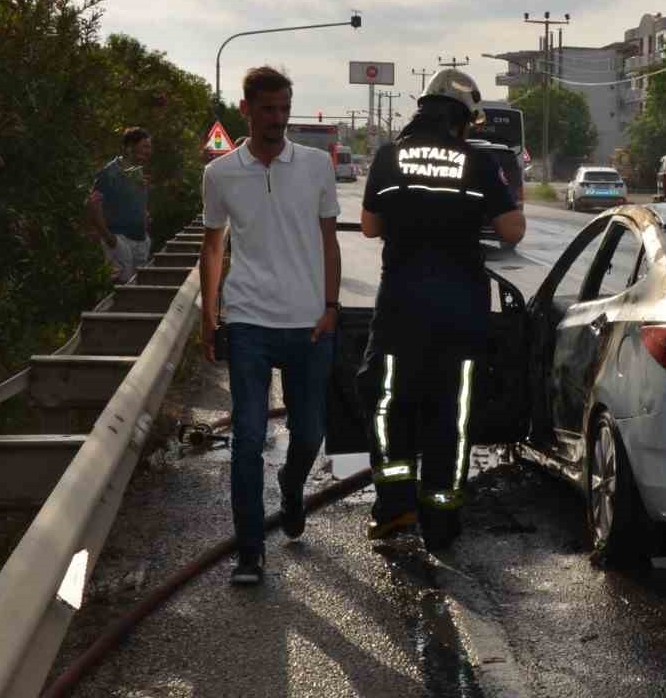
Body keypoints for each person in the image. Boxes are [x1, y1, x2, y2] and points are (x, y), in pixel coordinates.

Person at [358, 71, 525, 549]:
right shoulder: (476, 164)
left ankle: (394, 508)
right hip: (460, 311)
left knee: (389, 402)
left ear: (423, 106)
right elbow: (511, 231)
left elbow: (370, 228)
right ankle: (442, 523)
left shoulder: (390, 157)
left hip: (401, 308)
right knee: (452, 413)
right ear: (464, 119)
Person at [199, 66, 342, 585]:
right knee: (247, 436)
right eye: (267, 110)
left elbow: (330, 239)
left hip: (309, 323)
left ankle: (290, 483)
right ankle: (250, 552)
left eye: (284, 109)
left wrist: (331, 306)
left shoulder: (314, 166)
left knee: (310, 433)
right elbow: (213, 247)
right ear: (246, 110)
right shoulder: (220, 174)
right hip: (249, 322)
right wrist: (208, 317)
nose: (278, 119)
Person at [88, 127, 153, 283]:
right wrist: (110, 239)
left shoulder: (138, 172)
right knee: (125, 290)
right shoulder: (109, 173)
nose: (149, 151)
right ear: (130, 147)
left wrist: (144, 216)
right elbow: (93, 205)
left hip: (141, 240)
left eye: (149, 147)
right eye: (145, 146)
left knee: (141, 289)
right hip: (119, 240)